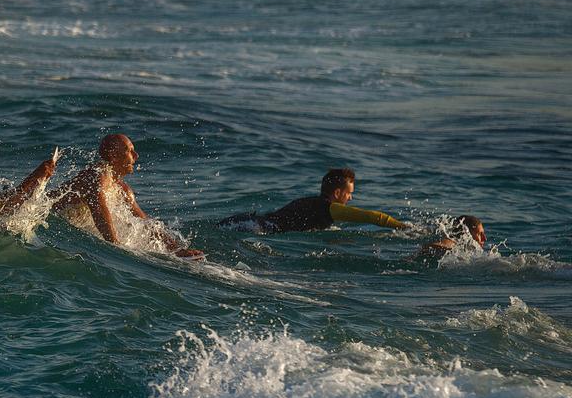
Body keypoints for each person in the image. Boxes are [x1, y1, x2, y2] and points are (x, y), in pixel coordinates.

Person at [51, 134, 204, 259]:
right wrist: (116, 249)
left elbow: (145, 222)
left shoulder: (122, 188)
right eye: (129, 150)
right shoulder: (96, 177)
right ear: (113, 156)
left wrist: (175, 250)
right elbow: (100, 214)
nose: (136, 156)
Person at [219, 168, 408, 233]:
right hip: (256, 228)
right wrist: (403, 227)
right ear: (337, 193)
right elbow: (373, 217)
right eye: (349, 193)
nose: (351, 197)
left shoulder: (309, 202)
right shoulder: (330, 208)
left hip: (246, 221)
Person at [419, 215, 486, 256]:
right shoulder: (452, 242)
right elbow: (429, 246)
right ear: (466, 233)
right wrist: (454, 250)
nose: (484, 238)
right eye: (480, 234)